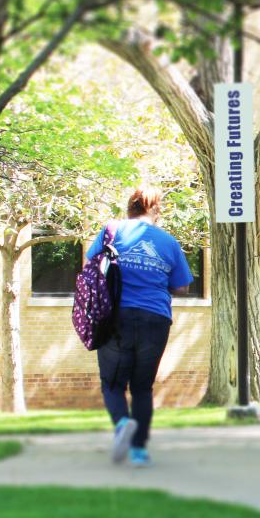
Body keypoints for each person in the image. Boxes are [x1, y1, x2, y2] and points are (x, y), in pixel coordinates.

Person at [87, 188, 193, 467]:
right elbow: (182, 285)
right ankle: (138, 452)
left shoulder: (111, 230)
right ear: (155, 210)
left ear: (129, 208)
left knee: (112, 383)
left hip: (115, 317)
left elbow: (90, 265)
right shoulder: (168, 242)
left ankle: (122, 424)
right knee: (142, 388)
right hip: (155, 319)